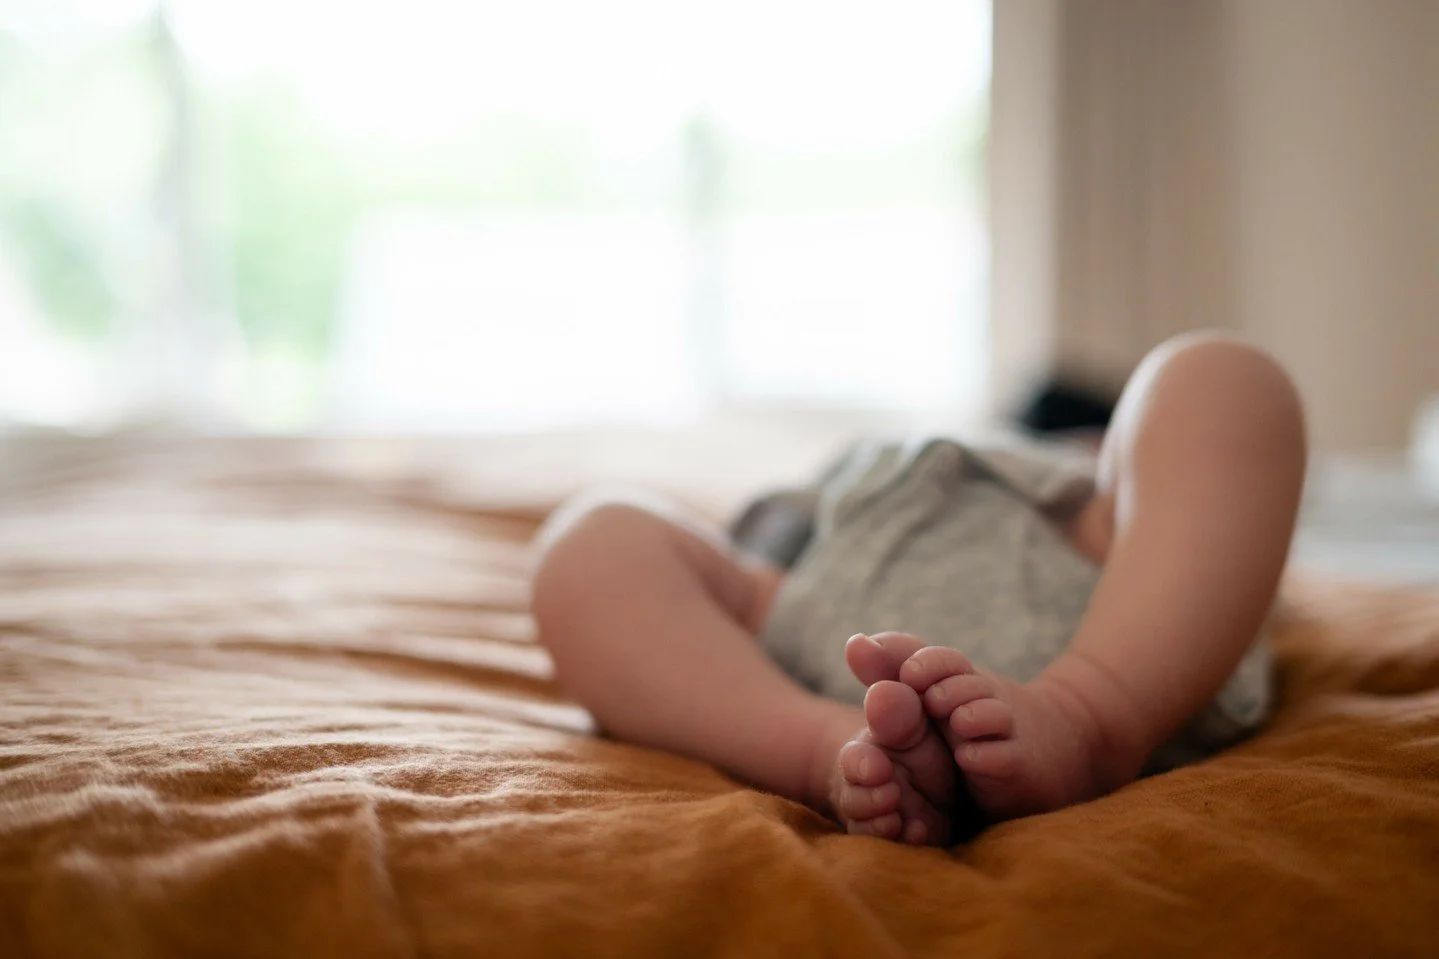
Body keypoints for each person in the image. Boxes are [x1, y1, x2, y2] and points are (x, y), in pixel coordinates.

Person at [529, 333, 1306, 846]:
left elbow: (1194, 497)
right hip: (811, 635)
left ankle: (1089, 716)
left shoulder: (1094, 509)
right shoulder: (804, 537)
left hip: (1106, 617)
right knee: (593, 538)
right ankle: (822, 748)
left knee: (1216, 377)